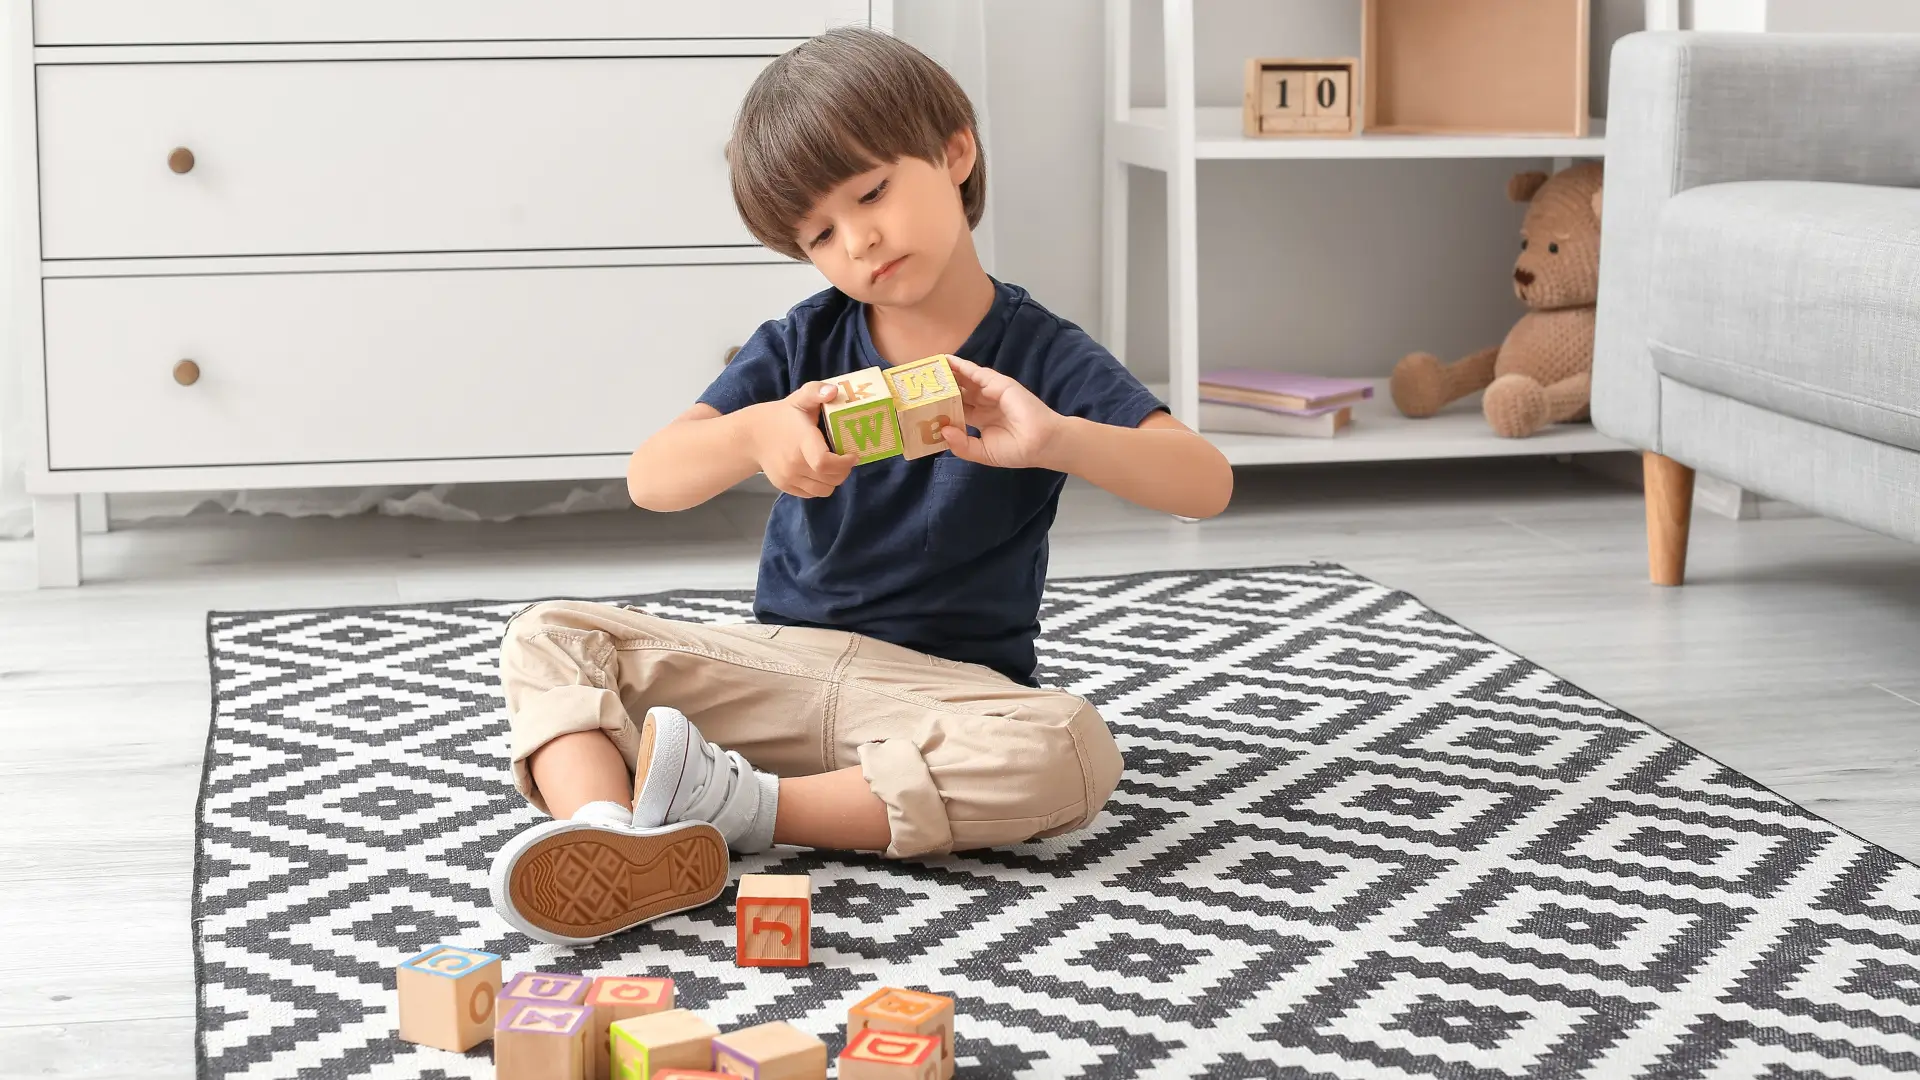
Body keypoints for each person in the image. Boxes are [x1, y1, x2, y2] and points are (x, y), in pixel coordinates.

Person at [489, 26, 1233, 946]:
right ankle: (602, 836)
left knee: (1071, 749)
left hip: (938, 698)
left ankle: (741, 809)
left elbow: (1204, 484)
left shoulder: (1041, 355)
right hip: (778, 669)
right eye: (821, 235)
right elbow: (652, 478)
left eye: (873, 192)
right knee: (550, 635)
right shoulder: (802, 343)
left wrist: (1061, 440)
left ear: (956, 152)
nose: (861, 242)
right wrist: (757, 431)